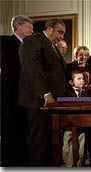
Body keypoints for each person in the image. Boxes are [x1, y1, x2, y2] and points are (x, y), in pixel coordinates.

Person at [17, 18, 66, 166]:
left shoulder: (53, 46)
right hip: (38, 101)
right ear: (49, 28)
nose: (61, 37)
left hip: (52, 103)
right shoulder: (33, 41)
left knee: (49, 140)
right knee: (37, 140)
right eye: (60, 32)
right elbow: (33, 70)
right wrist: (45, 93)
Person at [0, 15, 33, 166]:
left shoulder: (31, 45)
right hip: (9, 96)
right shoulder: (5, 42)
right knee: (10, 131)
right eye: (29, 27)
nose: (32, 31)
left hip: (26, 97)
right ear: (18, 26)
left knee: (23, 131)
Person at [62, 70, 90, 167]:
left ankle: (79, 164)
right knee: (68, 145)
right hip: (69, 125)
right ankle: (69, 164)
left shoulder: (86, 94)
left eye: (83, 79)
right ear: (71, 82)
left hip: (82, 125)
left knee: (82, 145)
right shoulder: (66, 93)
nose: (82, 81)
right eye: (79, 79)